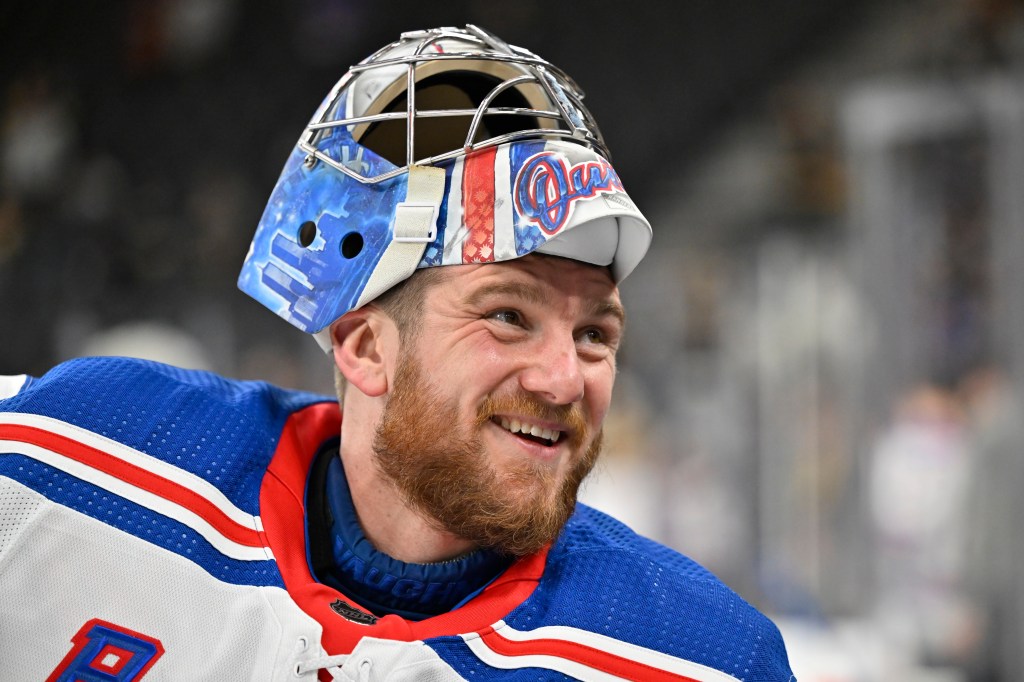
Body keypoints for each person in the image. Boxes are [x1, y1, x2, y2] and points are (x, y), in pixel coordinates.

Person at [0, 25, 795, 681]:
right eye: (509, 316)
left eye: (595, 333)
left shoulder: (700, 660)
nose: (564, 380)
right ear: (362, 345)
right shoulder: (62, 463)